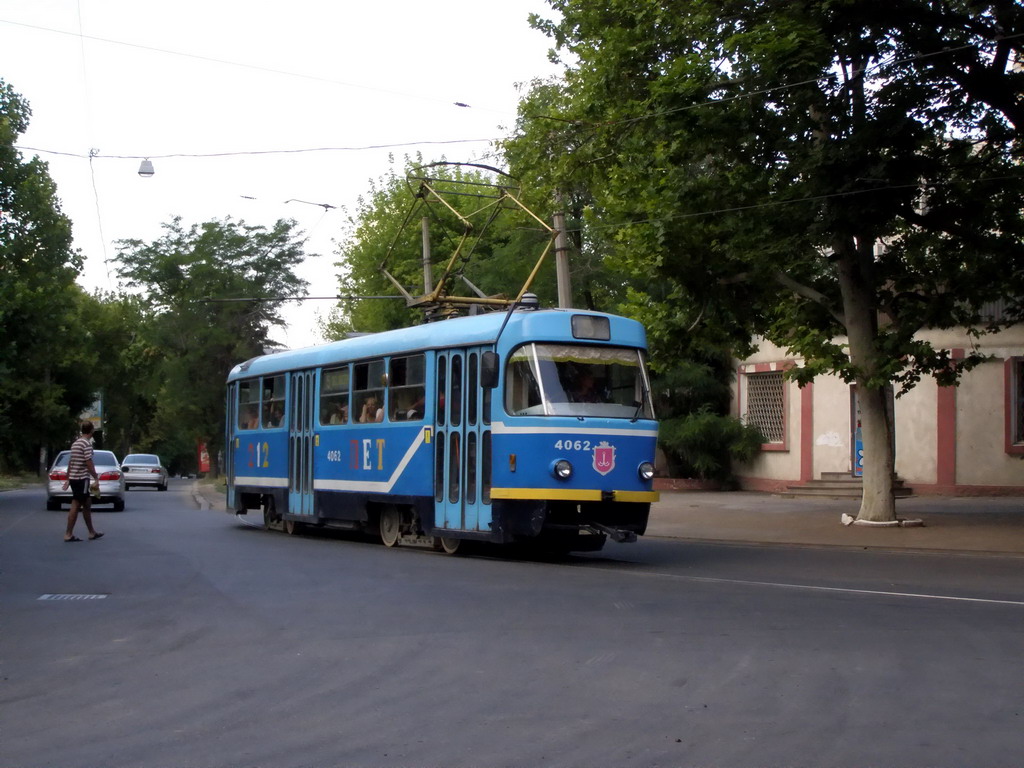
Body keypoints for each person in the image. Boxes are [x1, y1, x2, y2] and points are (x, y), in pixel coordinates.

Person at [62, 421, 103, 542]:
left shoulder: (75, 444)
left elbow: (71, 462)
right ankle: (68, 534)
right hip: (81, 478)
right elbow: (88, 462)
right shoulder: (86, 444)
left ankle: (92, 532)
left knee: (87, 503)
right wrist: (95, 477)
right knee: (76, 504)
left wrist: (68, 478)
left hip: (75, 478)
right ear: (92, 431)